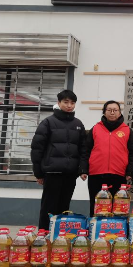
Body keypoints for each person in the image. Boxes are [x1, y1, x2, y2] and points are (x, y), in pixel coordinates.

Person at [31, 90, 86, 230]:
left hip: (70, 174)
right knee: (48, 207)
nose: (69, 105)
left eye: (72, 103)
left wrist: (82, 169)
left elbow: (83, 149)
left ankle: (59, 236)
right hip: (52, 172)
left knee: (64, 207)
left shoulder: (78, 124)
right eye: (66, 102)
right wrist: (38, 173)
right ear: (59, 103)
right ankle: (44, 234)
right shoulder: (48, 123)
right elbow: (37, 149)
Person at [80, 100, 133, 216]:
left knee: (117, 208)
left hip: (118, 174)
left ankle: (115, 227)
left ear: (120, 112)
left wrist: (130, 172)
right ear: (104, 112)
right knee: (96, 206)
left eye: (115, 110)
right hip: (96, 174)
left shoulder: (126, 130)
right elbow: (85, 150)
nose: (112, 112)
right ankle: (95, 226)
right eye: (109, 110)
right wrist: (83, 169)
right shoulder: (96, 128)